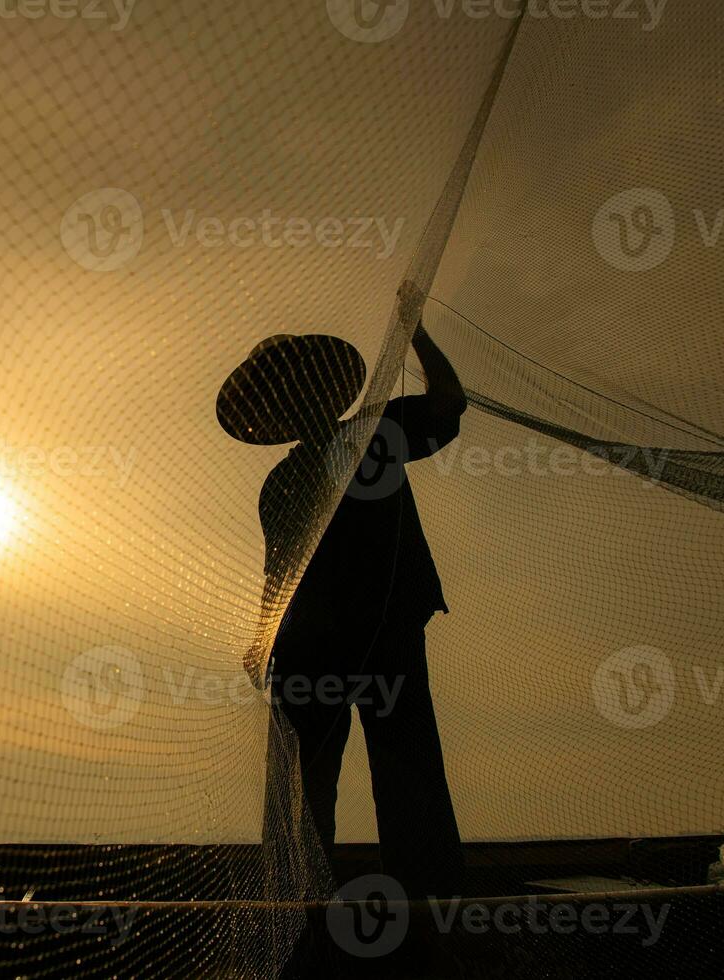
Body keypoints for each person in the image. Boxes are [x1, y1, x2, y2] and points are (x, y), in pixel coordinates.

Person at [215, 282, 467, 901]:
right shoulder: (282, 483)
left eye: (305, 384)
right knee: (308, 787)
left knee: (409, 776)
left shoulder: (378, 433)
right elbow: (279, 576)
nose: (299, 399)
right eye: (285, 393)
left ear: (325, 390)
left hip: (387, 635)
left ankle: (429, 906)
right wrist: (260, 642)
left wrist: (416, 332)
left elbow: (449, 403)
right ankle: (302, 905)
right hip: (311, 651)